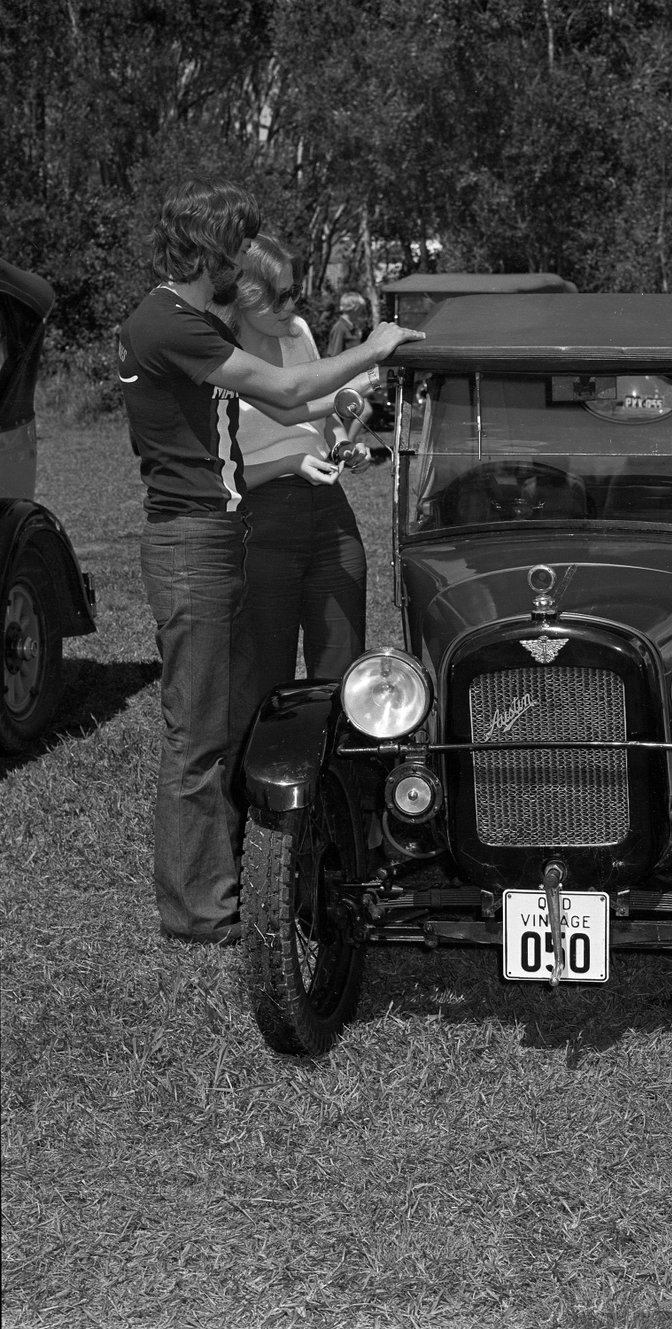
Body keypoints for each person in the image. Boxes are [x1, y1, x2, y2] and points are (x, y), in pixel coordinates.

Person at [116, 178, 423, 945]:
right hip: (193, 538)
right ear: (212, 252)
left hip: (206, 533)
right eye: (239, 245)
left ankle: (218, 889)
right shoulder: (171, 323)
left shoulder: (174, 316)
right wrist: (373, 346)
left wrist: (350, 390)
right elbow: (284, 386)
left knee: (210, 721)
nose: (246, 264)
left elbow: (288, 405)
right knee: (201, 731)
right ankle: (200, 911)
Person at [211, 234, 372, 699]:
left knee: (343, 666)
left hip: (328, 510)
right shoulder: (217, 352)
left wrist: (342, 446)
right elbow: (212, 468)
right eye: (279, 295)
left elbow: (319, 414)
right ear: (244, 295)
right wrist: (289, 461)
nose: (290, 305)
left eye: (293, 291)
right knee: (266, 673)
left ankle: (340, 762)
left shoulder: (299, 332)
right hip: (259, 518)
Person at [327, 292, 374, 442]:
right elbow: (334, 357)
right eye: (360, 309)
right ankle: (347, 445)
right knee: (364, 411)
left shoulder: (353, 328)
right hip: (344, 380)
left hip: (355, 378)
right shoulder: (340, 328)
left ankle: (341, 450)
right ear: (353, 308)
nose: (361, 312)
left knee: (350, 415)